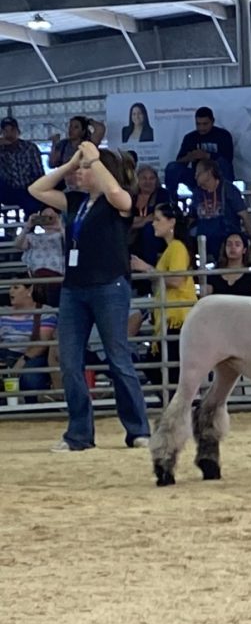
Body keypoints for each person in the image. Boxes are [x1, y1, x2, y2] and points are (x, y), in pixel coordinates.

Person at [27, 143, 151, 452]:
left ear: (101, 170)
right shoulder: (75, 201)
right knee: (70, 362)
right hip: (74, 289)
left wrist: (96, 162)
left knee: (118, 357)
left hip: (109, 286)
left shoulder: (118, 201)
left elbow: (120, 195)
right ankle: (79, 434)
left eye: (85, 169)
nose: (79, 173)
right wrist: (69, 165)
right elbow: (37, 189)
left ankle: (138, 429)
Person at [131, 202, 197, 390]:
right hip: (172, 317)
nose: (153, 223)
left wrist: (146, 269)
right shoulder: (173, 248)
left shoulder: (176, 247)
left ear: (171, 222)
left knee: (166, 368)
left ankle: (179, 408)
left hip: (176, 317)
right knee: (164, 367)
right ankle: (178, 408)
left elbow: (176, 280)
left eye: (158, 220)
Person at [189, 159, 251, 260]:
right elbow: (191, 218)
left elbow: (244, 216)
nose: (195, 177)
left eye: (198, 173)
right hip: (203, 235)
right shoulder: (197, 194)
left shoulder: (229, 189)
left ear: (209, 173)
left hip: (225, 234)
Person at [0, 278, 55, 402]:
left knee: (30, 379)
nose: (10, 292)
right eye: (10, 288)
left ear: (29, 290)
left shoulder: (45, 312)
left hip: (32, 356)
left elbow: (43, 343)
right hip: (4, 354)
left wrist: (23, 360)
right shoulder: (2, 312)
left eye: (16, 287)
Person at [165, 107, 235, 194]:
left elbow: (228, 159)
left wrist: (207, 155)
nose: (201, 128)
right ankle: (171, 202)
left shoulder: (223, 135)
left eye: (205, 124)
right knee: (172, 167)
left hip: (219, 176)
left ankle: (226, 194)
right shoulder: (190, 137)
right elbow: (179, 161)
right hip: (197, 177)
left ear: (212, 121)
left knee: (223, 164)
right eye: (198, 124)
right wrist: (189, 157)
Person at [128, 165, 172, 294]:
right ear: (137, 180)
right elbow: (125, 221)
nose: (148, 182)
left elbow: (157, 218)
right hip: (131, 237)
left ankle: (146, 283)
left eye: (152, 178)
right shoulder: (131, 196)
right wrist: (144, 220)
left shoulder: (162, 194)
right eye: (144, 178)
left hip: (155, 238)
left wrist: (138, 221)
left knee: (148, 230)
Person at [14, 206, 65, 306]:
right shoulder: (33, 237)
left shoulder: (63, 235)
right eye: (44, 217)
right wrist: (28, 226)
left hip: (57, 280)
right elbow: (18, 245)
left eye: (51, 217)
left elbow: (71, 245)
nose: (48, 220)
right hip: (37, 280)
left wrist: (60, 227)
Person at [0, 116, 46, 215]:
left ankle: (28, 227)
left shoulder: (29, 148)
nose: (9, 134)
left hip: (27, 189)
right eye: (5, 131)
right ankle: (11, 228)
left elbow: (39, 173)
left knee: (32, 204)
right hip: (7, 191)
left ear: (18, 131)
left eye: (12, 130)